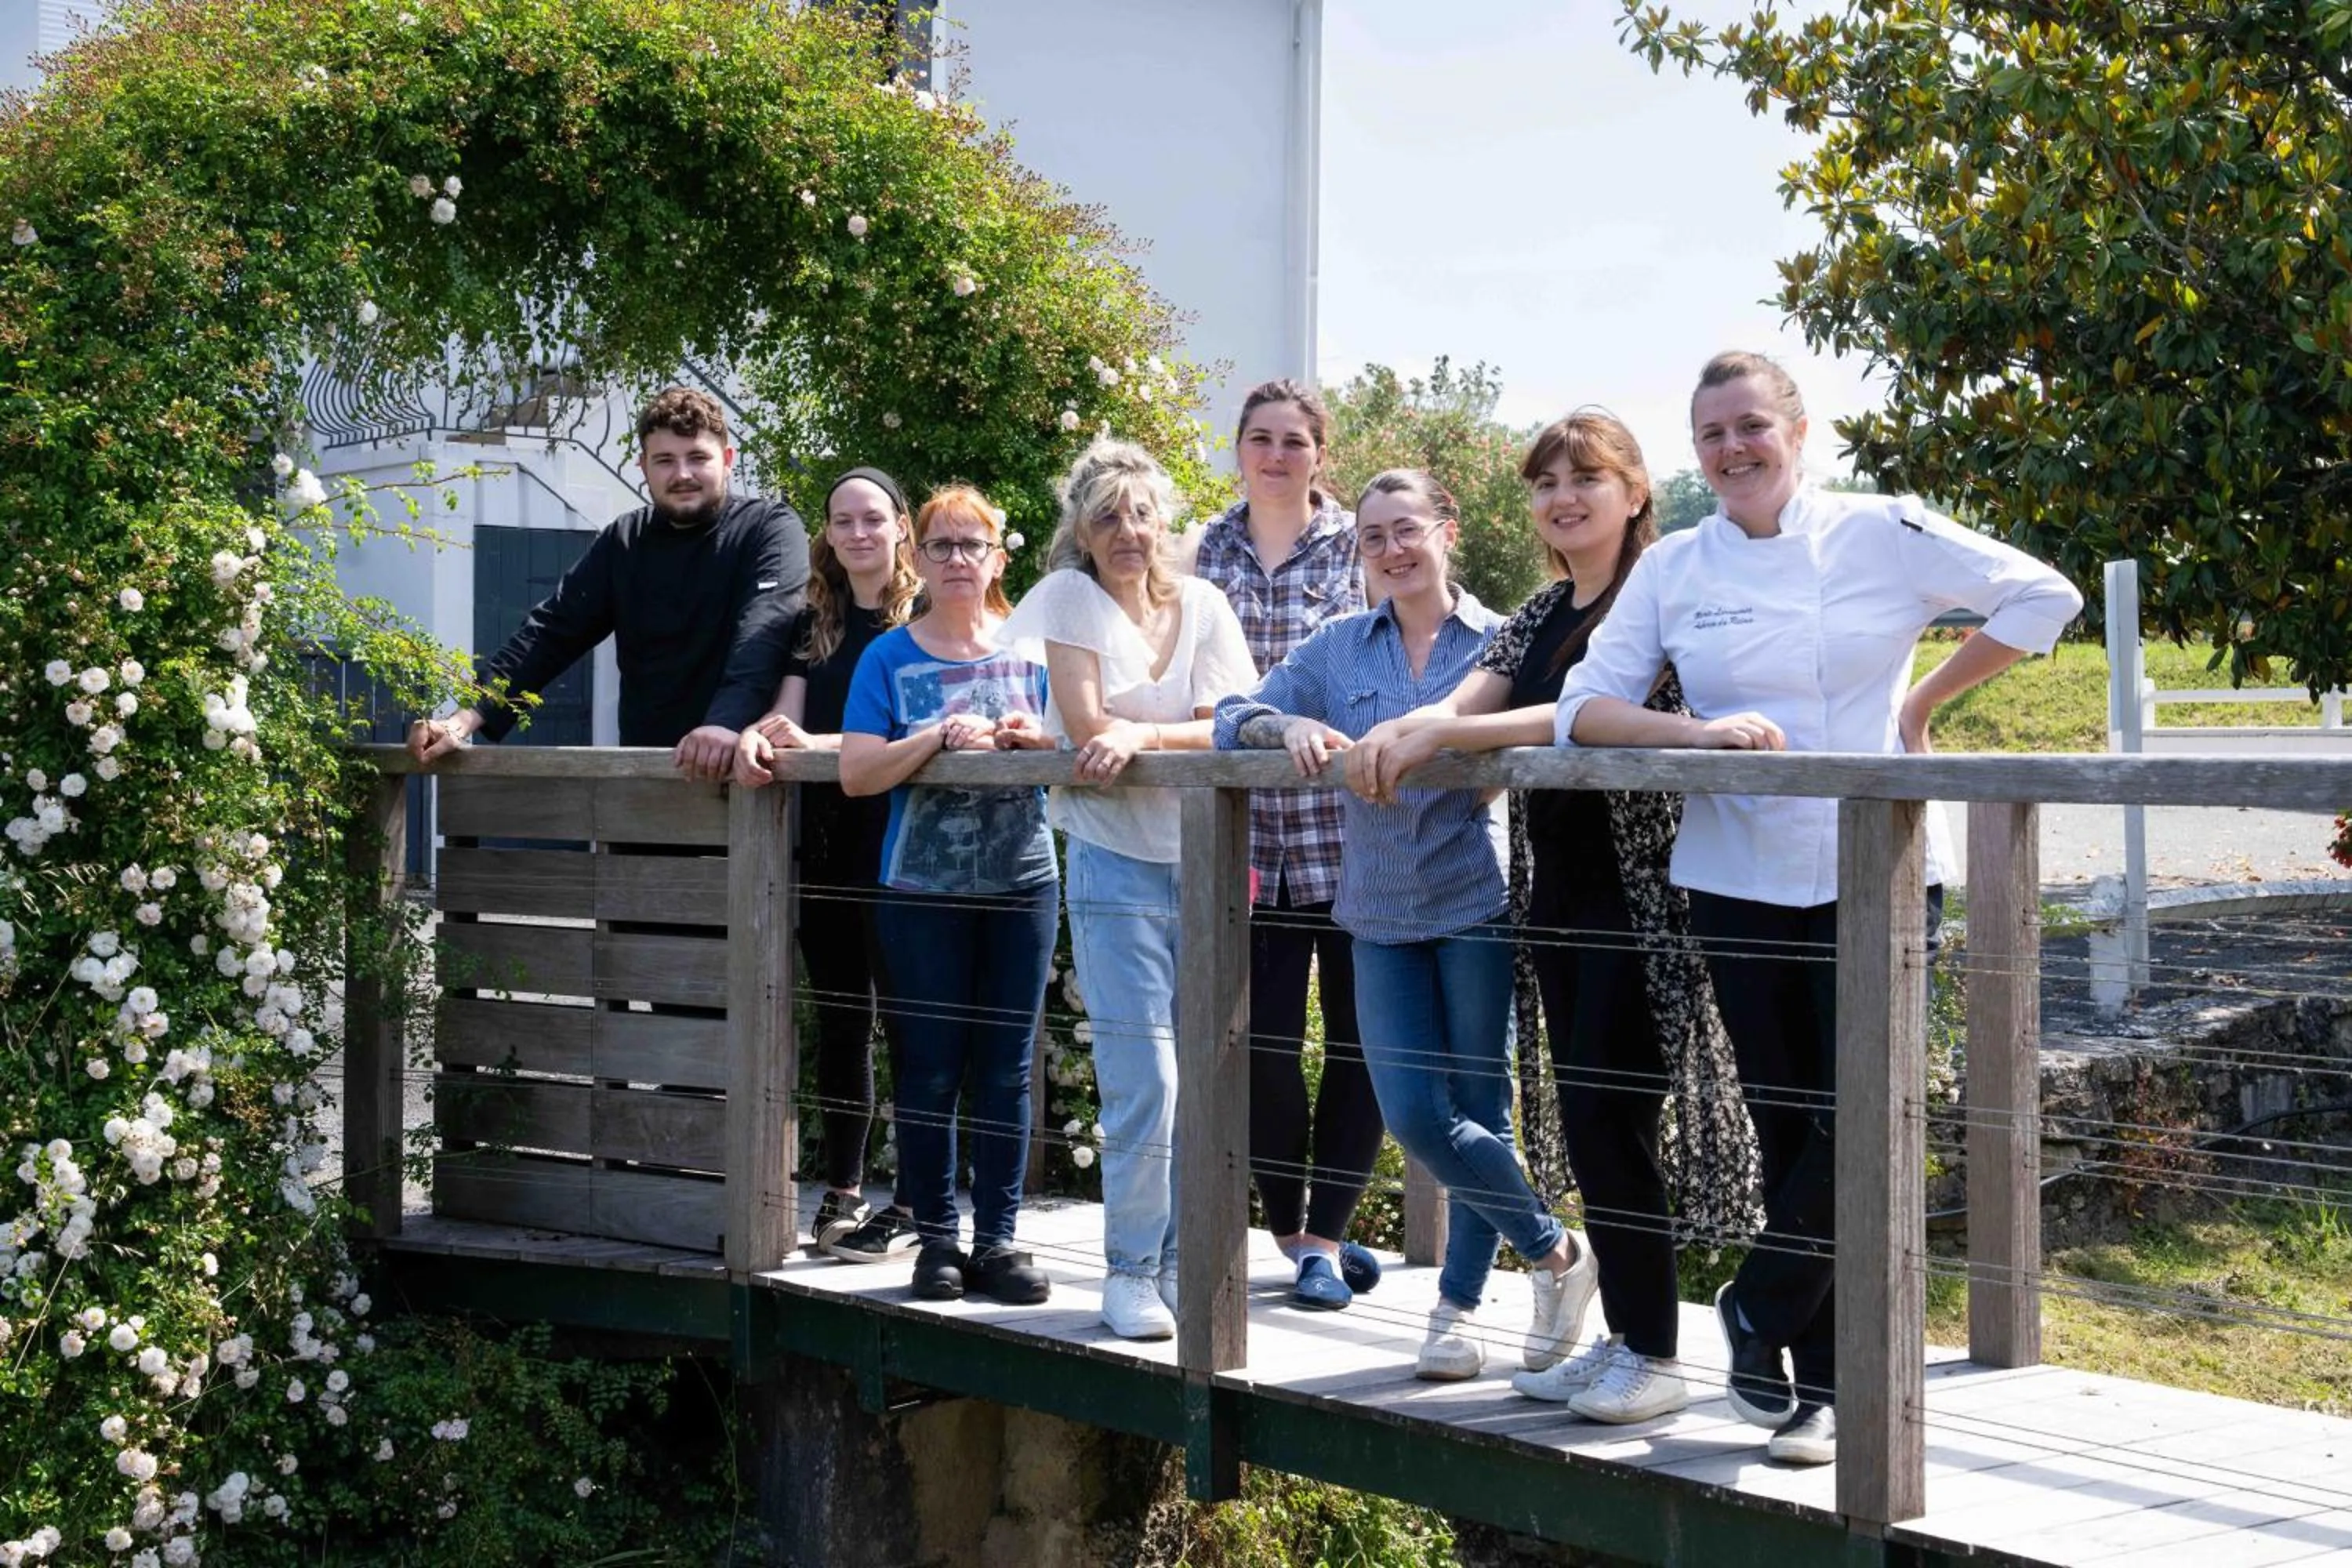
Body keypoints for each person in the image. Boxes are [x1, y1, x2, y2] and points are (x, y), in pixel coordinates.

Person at [1552, 351, 2083, 1465]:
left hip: (1877, 870)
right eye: (1711, 435)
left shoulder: (1882, 531)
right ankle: (1821, 1392)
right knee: (1791, 1121)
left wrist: (1922, 706)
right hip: (1734, 875)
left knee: (1867, 1113)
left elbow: (2046, 595)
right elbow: (1584, 707)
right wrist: (1695, 736)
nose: (1733, 449)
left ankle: (1756, 1303)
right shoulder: (1678, 567)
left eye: (1751, 425)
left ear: (1799, 430)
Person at [1346, 410, 1751, 1425]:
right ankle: (1626, 1337)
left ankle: (1658, 1354)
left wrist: (1437, 729)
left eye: (1587, 478)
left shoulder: (1656, 594)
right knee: (1589, 1122)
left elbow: (1566, 711)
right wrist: (1410, 728)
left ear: (1635, 491)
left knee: (1618, 1121)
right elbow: (1471, 704)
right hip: (1559, 899)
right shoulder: (1536, 611)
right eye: (1545, 482)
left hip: (1649, 896)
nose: (1563, 497)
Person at [1216, 470, 1596, 1379]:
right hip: (1376, 911)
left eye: (1407, 530)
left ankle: (1456, 1312)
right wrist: (1289, 729)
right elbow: (1235, 714)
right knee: (1413, 1111)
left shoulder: (1503, 637)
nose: (1392, 549)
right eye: (1374, 536)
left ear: (1446, 530)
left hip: (1475, 899)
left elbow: (1565, 726)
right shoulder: (1341, 647)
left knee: (1481, 1108)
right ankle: (1557, 1255)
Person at [1002, 441, 1257, 1340]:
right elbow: (1084, 726)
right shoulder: (1071, 599)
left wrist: (1142, 741)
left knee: (1213, 1069)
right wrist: (1145, 735)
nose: (1128, 531)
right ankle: (1131, 1266)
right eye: (1107, 515)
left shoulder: (1209, 606)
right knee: (1144, 1070)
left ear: (1164, 522)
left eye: (1141, 513)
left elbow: (1224, 729)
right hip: (1112, 855)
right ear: (1080, 527)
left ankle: (1196, 1262)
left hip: (1209, 858)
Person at [1186, 379, 1387, 1312]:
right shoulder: (1201, 548)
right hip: (1247, 842)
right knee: (1261, 1041)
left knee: (1362, 1042)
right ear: (1238, 449)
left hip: (1353, 832)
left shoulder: (1360, 544)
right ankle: (1291, 1225)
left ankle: (1330, 1231)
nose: (1275, 454)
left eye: (1294, 440)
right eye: (1259, 438)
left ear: (1319, 452)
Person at [839, 484, 1061, 1306]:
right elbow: (859, 772)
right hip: (920, 889)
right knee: (929, 1068)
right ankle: (936, 1238)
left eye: (974, 545)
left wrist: (1031, 740)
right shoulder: (887, 658)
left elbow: (1074, 750)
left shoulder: (1036, 654)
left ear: (1000, 557)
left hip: (1022, 886)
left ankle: (998, 1240)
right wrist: (935, 736)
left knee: (1005, 1070)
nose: (959, 559)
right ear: (917, 558)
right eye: (941, 546)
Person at [406, 386, 811, 779]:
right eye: (665, 460)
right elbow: (552, 632)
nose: (682, 474)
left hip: (747, 775)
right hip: (647, 775)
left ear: (727, 459)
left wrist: (725, 724)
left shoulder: (769, 529)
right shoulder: (626, 540)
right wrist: (465, 718)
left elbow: (763, 634)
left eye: (697, 458)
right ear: (643, 467)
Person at [735, 468, 924, 1263]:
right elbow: (789, 720)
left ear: (901, 526)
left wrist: (824, 747)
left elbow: (925, 728)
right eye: (842, 520)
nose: (857, 533)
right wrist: (762, 736)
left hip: (905, 848)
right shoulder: (813, 620)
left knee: (913, 1026)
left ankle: (917, 1196)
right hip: (826, 847)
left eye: (872, 518)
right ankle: (843, 1191)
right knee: (843, 1020)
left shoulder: (926, 619)